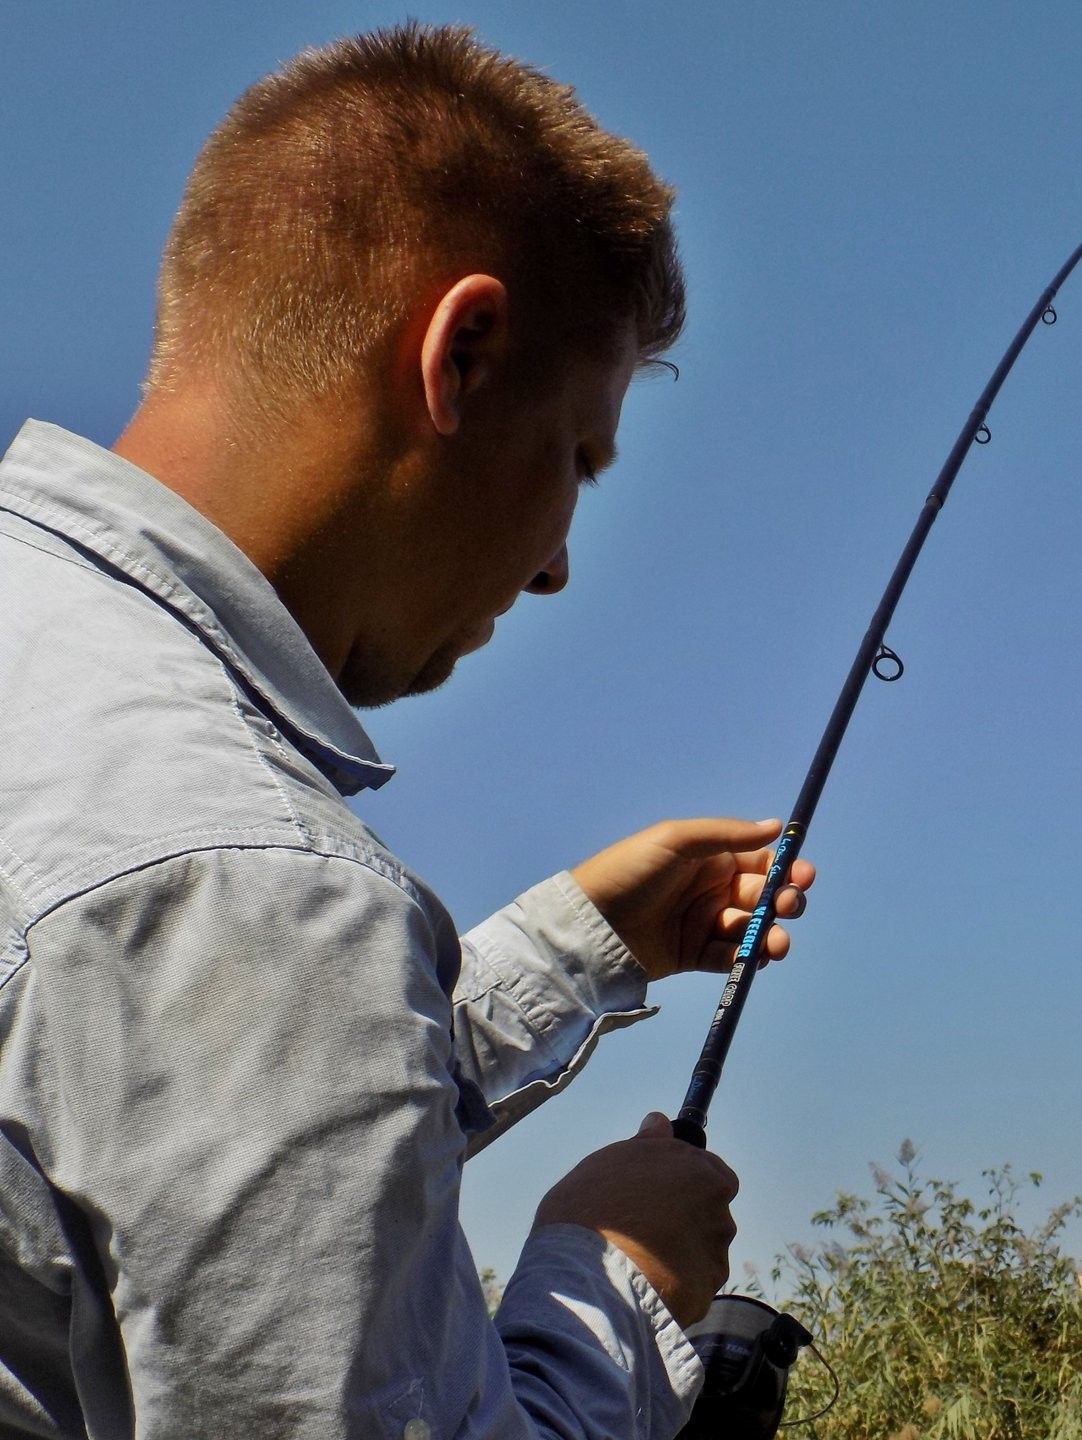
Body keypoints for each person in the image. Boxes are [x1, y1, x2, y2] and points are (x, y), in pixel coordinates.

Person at [0, 22, 812, 1439]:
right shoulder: (250, 888)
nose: (558, 559)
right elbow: (232, 966)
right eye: (580, 456)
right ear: (466, 352)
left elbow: (147, 1111)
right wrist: (609, 1278)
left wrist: (571, 951)